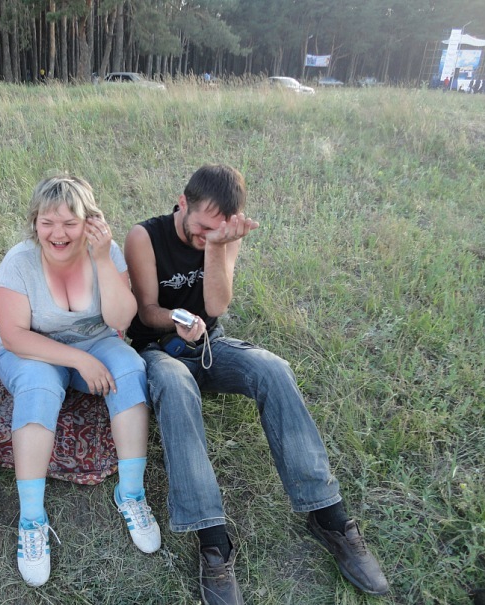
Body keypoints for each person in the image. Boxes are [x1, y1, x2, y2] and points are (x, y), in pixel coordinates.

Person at [124, 164, 389, 605]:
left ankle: (329, 517)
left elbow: (216, 305)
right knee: (175, 386)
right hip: (158, 349)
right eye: (202, 228)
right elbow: (146, 310)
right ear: (183, 203)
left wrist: (218, 246)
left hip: (210, 345)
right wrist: (176, 319)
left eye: (217, 231)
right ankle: (213, 542)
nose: (206, 237)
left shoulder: (224, 236)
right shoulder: (144, 236)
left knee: (273, 369)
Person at [0, 175, 160, 587]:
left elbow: (120, 320)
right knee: (39, 387)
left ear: (90, 222)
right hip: (33, 349)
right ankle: (32, 519)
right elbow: (14, 336)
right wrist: (78, 360)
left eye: (70, 222)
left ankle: (131, 494)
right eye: (48, 222)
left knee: (129, 369)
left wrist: (102, 260)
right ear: (34, 222)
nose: (59, 233)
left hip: (97, 340)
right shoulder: (19, 262)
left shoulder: (107, 252)